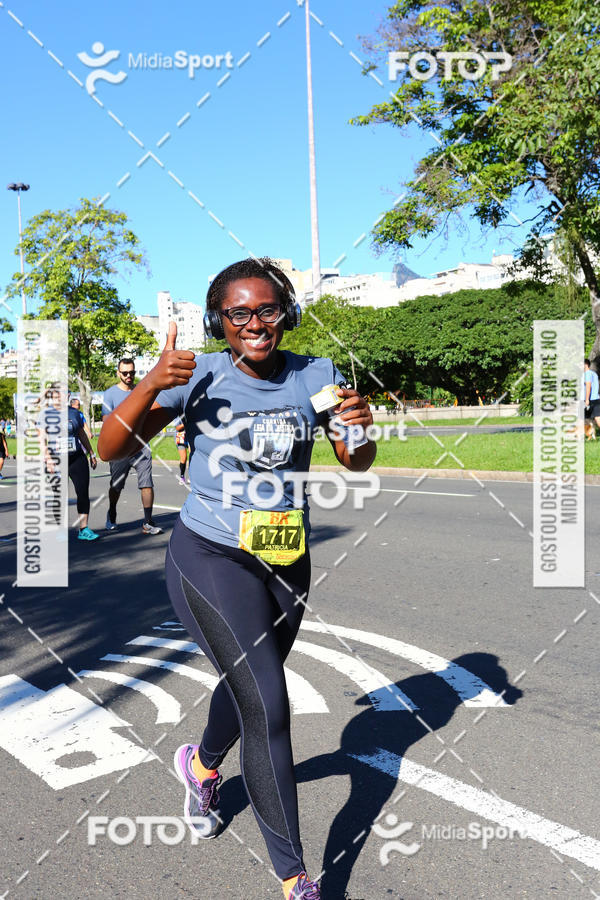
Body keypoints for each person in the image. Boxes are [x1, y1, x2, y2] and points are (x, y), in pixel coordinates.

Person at [98, 257, 376, 899]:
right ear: (216, 320)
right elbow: (109, 450)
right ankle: (295, 878)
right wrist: (146, 386)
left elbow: (356, 462)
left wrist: (360, 432)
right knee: (269, 703)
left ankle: (199, 766)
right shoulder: (194, 374)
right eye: (238, 313)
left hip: (286, 558)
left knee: (251, 682)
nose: (255, 324)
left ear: (287, 313)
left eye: (268, 310)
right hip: (210, 555)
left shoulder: (317, 375)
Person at [101, 358, 163, 535]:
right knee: (116, 486)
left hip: (141, 446)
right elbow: (107, 422)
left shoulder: (140, 391)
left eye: (132, 373)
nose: (129, 376)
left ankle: (148, 522)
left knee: (146, 484)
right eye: (125, 373)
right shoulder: (110, 394)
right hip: (120, 448)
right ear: (118, 373)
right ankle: (112, 512)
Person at [42, 388, 100, 540]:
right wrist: (48, 459)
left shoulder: (74, 413)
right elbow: (42, 440)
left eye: (65, 393)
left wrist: (91, 453)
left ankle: (84, 529)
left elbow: (81, 434)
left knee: (82, 492)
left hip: (77, 458)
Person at [582, 358, 600, 438]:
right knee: (598, 418)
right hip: (596, 398)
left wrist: (586, 399)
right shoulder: (594, 374)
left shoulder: (587, 374)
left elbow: (588, 386)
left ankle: (578, 438)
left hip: (589, 399)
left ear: (586, 365)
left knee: (580, 418)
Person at [175, 417, 190, 485]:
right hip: (181, 438)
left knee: (192, 456)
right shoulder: (179, 416)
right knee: (183, 458)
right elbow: (177, 428)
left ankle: (191, 477)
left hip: (190, 437)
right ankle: (182, 477)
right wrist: (186, 424)